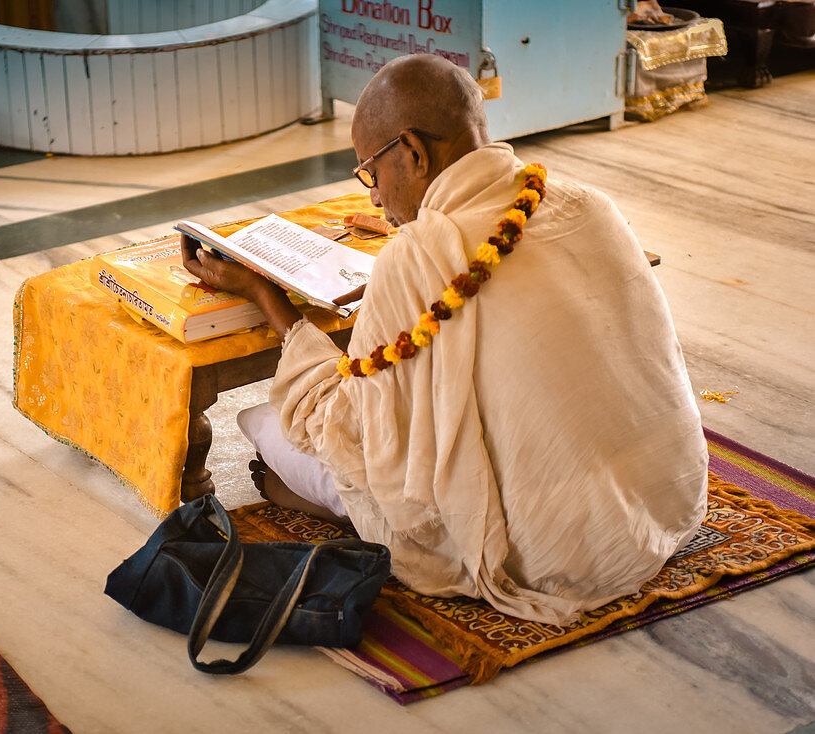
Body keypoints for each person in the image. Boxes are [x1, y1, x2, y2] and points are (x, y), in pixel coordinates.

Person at [181, 54, 707, 625]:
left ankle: (330, 513)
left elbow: (351, 431)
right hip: (669, 499)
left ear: (412, 151)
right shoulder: (586, 203)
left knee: (265, 423)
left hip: (551, 552)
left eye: (371, 174)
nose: (375, 198)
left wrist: (267, 298)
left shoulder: (418, 257)